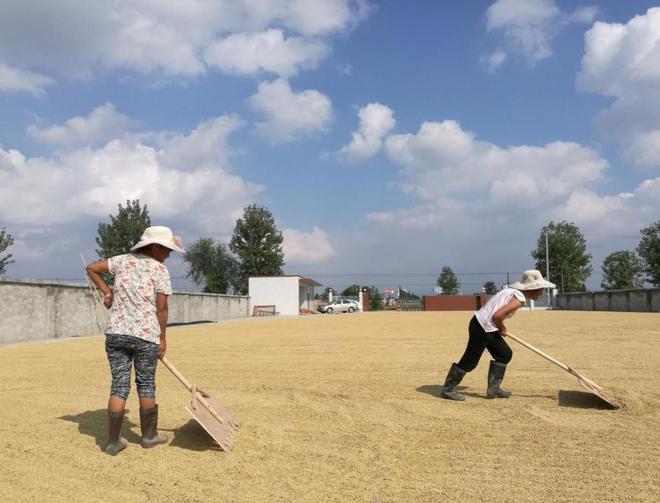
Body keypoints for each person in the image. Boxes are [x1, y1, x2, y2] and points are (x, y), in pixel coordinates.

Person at [86, 226, 185, 455]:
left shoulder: (121, 261)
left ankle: (112, 442)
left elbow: (91, 268)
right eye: (168, 250)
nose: (169, 255)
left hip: (117, 333)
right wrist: (162, 338)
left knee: (119, 385)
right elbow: (162, 308)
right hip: (146, 336)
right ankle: (149, 436)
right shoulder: (160, 270)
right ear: (157, 247)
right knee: (146, 384)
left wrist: (106, 291)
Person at [440, 270, 556, 401]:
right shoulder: (519, 299)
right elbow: (497, 316)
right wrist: (502, 328)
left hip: (487, 326)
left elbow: (496, 315)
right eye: (541, 290)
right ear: (533, 289)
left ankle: (493, 389)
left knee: (504, 354)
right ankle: (447, 389)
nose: (542, 293)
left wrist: (498, 327)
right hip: (482, 327)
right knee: (470, 360)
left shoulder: (512, 293)